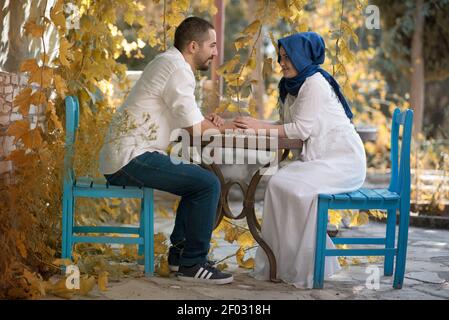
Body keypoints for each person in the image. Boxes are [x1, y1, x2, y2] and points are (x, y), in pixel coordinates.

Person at [99, 16, 236, 285]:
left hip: (130, 154)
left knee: (198, 179)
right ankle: (193, 264)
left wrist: (209, 123)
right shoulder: (177, 69)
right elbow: (195, 130)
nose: (216, 52)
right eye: (212, 45)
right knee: (207, 184)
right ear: (194, 46)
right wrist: (228, 126)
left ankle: (180, 256)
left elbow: (188, 125)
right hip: (131, 157)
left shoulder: (170, 64)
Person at [233, 32, 367, 288]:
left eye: (287, 58)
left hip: (342, 160)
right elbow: (286, 125)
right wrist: (252, 125)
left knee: (293, 188)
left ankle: (305, 265)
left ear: (303, 57)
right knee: (275, 184)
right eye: (281, 57)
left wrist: (256, 127)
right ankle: (279, 263)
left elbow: (300, 130)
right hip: (318, 159)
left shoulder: (314, 82)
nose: (282, 62)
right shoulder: (290, 86)